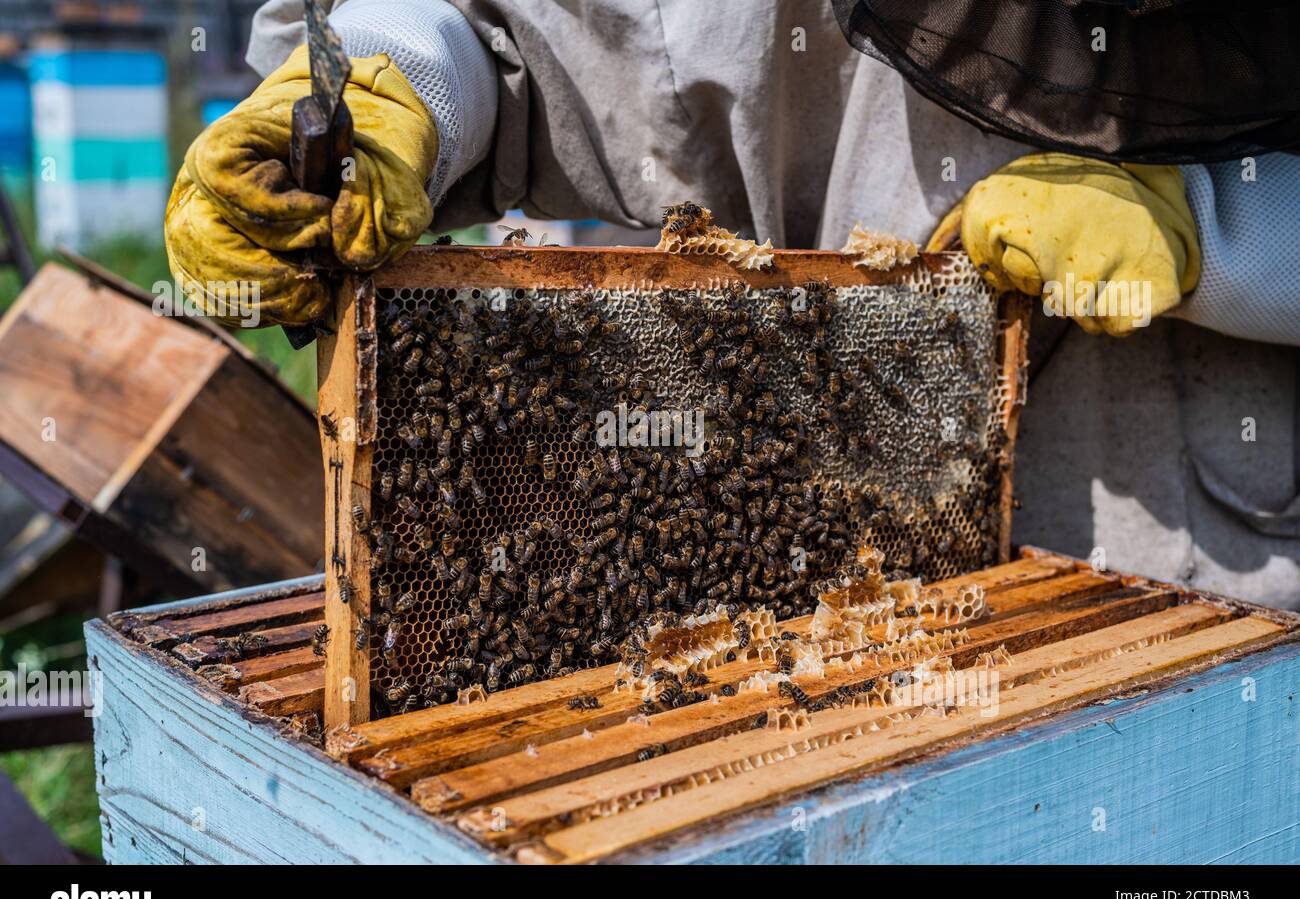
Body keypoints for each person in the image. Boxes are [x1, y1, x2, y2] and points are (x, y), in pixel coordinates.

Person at [164, 0, 1300, 608]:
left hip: (1220, 598)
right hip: (816, 602)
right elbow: (509, 35)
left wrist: (1224, 231)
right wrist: (397, 84)